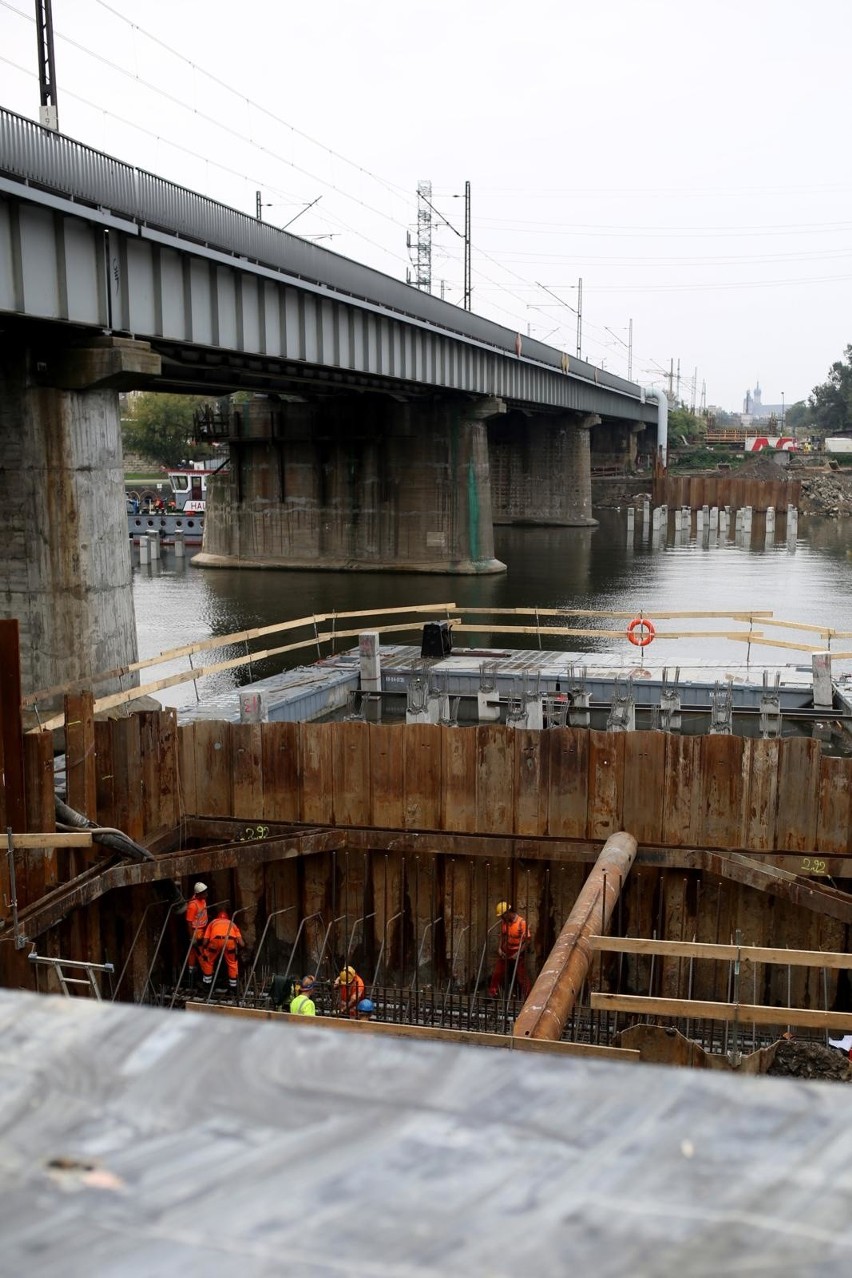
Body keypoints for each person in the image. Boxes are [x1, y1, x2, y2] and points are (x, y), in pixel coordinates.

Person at [488, 901, 531, 999]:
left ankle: (528, 996)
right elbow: (502, 936)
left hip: (518, 952)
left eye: (503, 915)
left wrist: (518, 953)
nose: (502, 918)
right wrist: (499, 948)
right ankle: (492, 993)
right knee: (497, 972)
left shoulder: (521, 923)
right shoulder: (504, 922)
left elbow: (527, 942)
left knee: (521, 976)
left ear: (508, 913)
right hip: (506, 951)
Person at [199, 906, 244, 993]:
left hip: (215, 941)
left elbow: (205, 941)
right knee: (232, 963)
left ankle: (207, 986)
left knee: (209, 961)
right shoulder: (232, 924)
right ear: (227, 918)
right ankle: (233, 988)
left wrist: (204, 948)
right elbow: (242, 943)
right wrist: (238, 950)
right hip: (230, 941)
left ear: (218, 918)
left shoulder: (213, 923)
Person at [184, 882, 208, 985]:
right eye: (204, 892)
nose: (206, 894)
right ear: (198, 894)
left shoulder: (202, 900)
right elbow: (189, 923)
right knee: (202, 955)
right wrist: (192, 937)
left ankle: (192, 979)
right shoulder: (193, 905)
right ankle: (206, 978)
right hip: (197, 932)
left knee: (193, 954)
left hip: (202, 929)